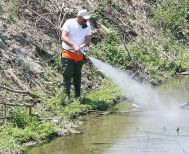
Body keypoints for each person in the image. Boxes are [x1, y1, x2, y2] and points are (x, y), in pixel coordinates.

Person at [61, 9, 92, 103]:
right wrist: (73, 45)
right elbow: (63, 36)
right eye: (84, 19)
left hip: (79, 54)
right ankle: (67, 96)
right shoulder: (69, 23)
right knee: (67, 74)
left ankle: (78, 96)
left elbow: (88, 40)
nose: (85, 21)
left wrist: (81, 46)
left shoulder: (87, 26)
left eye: (86, 19)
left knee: (77, 75)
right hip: (67, 52)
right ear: (78, 17)